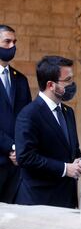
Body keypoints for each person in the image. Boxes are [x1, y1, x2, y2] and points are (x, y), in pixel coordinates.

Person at [14, 56, 81, 208]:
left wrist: (80, 161)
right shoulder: (29, 114)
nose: (72, 84)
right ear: (51, 85)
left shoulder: (68, 112)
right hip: (40, 200)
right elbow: (26, 157)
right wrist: (65, 169)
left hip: (67, 199)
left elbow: (74, 149)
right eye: (67, 80)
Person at [0, 25, 32, 203]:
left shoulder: (20, 79)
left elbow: (26, 119)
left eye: (14, 42)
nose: (12, 46)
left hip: (16, 164)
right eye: (7, 41)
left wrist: (20, 148)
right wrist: (12, 147)